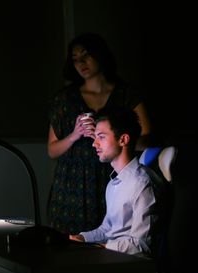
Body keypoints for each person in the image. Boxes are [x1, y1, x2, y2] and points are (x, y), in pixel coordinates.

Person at [47, 32, 152, 234]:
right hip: (72, 186)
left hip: (113, 177)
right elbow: (51, 150)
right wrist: (75, 134)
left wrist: (112, 135)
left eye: (86, 55)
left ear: (100, 55)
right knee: (70, 245)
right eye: (75, 59)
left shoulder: (126, 94)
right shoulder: (65, 99)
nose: (81, 63)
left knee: (114, 236)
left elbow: (149, 139)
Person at [69, 107, 163, 256]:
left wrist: (100, 247)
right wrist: (82, 238)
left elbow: (142, 245)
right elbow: (108, 229)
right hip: (114, 258)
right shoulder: (114, 183)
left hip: (133, 267)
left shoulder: (142, 184)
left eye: (101, 137)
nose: (94, 144)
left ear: (123, 139)